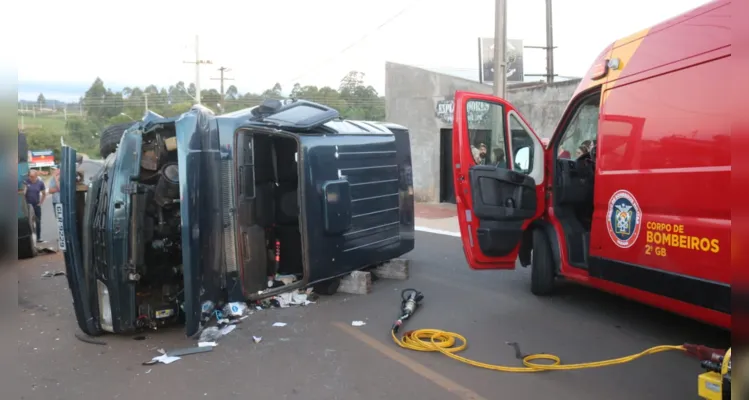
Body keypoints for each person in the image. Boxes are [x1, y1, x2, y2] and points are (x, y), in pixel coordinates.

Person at [24, 169, 46, 243]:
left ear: (36, 176)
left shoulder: (40, 183)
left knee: (38, 221)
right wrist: (25, 190)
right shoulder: (26, 182)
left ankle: (38, 237)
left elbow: (44, 193)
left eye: (32, 176)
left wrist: (41, 202)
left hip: (36, 205)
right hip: (28, 205)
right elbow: (24, 192)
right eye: (29, 176)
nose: (30, 177)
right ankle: (30, 239)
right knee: (29, 222)